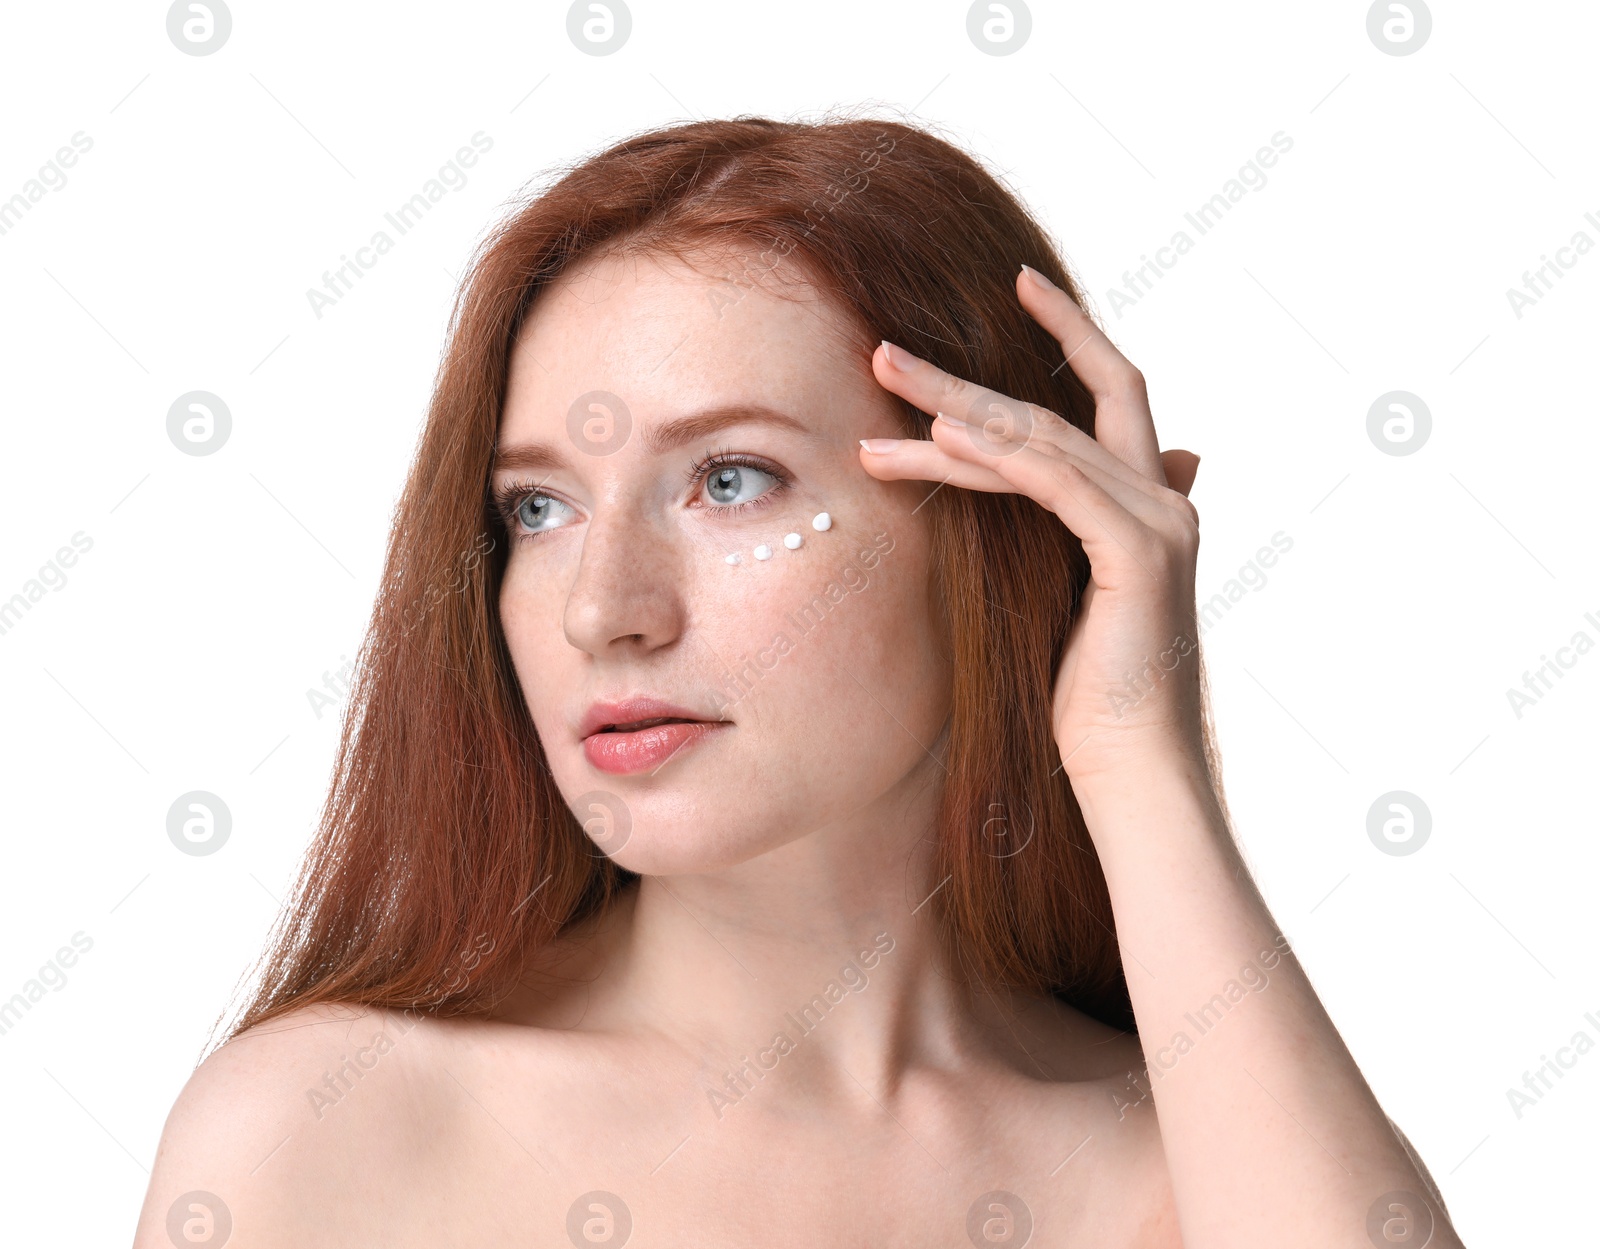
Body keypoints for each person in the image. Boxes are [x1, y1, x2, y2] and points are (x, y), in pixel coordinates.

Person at [134, 114, 1460, 1248]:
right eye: (538, 508)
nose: (603, 610)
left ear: (1010, 519)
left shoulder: (1206, 1164)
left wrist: (1134, 752)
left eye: (730, 481)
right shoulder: (328, 1134)